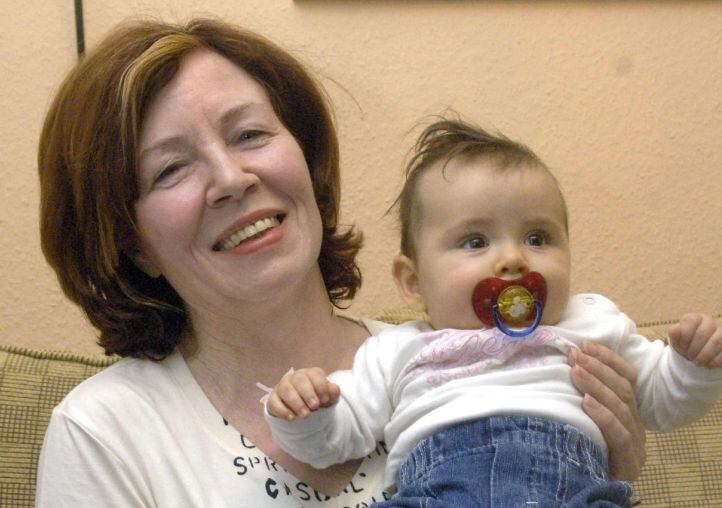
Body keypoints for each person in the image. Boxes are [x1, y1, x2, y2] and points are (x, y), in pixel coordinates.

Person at [35, 18, 648, 507]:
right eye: (171, 168)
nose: (232, 178)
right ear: (130, 241)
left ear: (305, 157)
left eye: (249, 134)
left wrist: (610, 466)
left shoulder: (464, 356)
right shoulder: (104, 433)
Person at [265, 118, 722, 506]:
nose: (514, 258)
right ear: (414, 283)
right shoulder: (394, 350)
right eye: (475, 241)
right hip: (435, 492)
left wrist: (694, 362)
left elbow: (661, 399)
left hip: (575, 491)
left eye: (537, 238)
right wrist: (305, 411)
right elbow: (338, 436)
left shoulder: (590, 322)